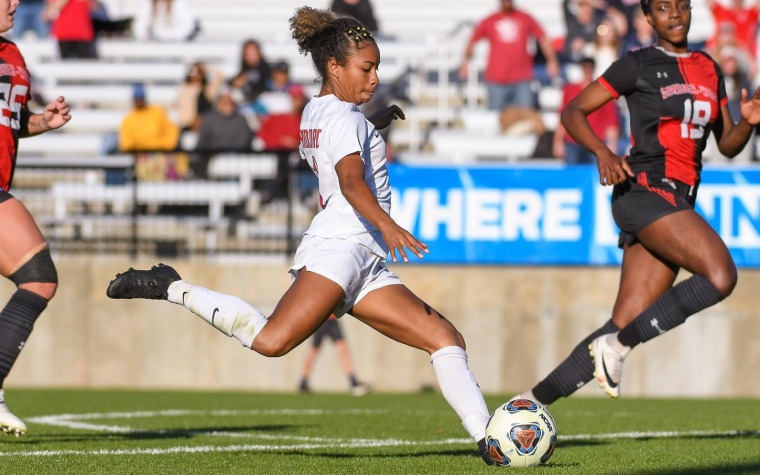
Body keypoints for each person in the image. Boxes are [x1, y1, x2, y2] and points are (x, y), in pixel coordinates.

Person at [106, 6, 496, 466]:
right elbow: (351, 181)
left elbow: (341, 146)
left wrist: (376, 124)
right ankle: (172, 285)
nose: (373, 78)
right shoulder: (347, 118)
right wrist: (390, 224)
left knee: (445, 338)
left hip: (362, 257)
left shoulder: (321, 109)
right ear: (335, 66)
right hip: (342, 247)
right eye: (366, 69)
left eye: (376, 69)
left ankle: (490, 442)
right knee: (272, 341)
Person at [518, 0, 760, 407]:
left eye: (682, 6)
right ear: (647, 18)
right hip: (643, 190)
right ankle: (618, 346)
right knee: (720, 276)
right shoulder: (638, 63)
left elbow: (728, 145)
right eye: (663, 8)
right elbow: (573, 111)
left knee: (623, 323)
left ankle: (527, 403)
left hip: (675, 200)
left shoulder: (708, 67)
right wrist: (602, 152)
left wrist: (749, 123)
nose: (676, 14)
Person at [0, 0, 72, 436]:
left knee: (38, 278)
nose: (14, 3)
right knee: (39, 277)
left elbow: (11, 119)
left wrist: (40, 122)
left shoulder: (12, 55)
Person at [458, 0, 560, 111]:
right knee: (496, 119)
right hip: (496, 80)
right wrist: (465, 62)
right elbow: (472, 41)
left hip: (522, 78)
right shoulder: (490, 20)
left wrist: (552, 60)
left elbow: (542, 38)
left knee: (525, 117)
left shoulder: (525, 17)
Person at [553, 57, 620, 164]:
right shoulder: (570, 90)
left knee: (597, 175)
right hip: (573, 141)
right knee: (572, 175)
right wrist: (558, 142)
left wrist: (612, 143)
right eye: (585, 68)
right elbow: (563, 117)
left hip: (596, 142)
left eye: (590, 68)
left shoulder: (603, 91)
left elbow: (611, 120)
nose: (588, 71)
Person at [298, 315, 373, 396]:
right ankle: (303, 383)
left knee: (343, 349)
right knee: (313, 351)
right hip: (321, 320)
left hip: (333, 320)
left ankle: (353, 382)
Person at [118, 83, 180, 153]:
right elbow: (126, 143)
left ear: (144, 98)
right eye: (137, 99)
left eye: (141, 98)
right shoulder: (128, 119)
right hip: (138, 154)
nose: (139, 101)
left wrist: (167, 145)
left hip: (160, 151)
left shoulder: (157, 112)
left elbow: (171, 129)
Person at [132, 0, 200, 42]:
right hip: (154, 46)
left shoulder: (179, 3)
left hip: (177, 44)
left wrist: (171, 36)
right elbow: (139, 26)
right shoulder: (147, 3)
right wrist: (146, 37)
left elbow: (187, 26)